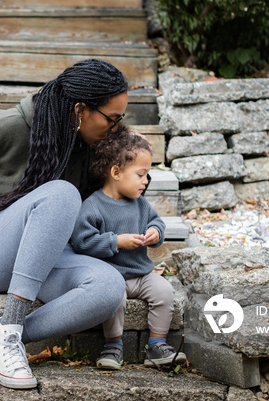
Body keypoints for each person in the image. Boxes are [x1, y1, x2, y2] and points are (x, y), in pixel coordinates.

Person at [0, 59, 129, 389]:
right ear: (80, 110)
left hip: (43, 260)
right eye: (112, 119)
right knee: (61, 194)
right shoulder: (5, 128)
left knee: (110, 287)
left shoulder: (90, 146)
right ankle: (6, 341)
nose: (115, 128)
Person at [71, 127, 186, 370]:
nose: (146, 182)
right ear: (116, 172)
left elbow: (156, 221)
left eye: (147, 175)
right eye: (141, 175)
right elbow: (82, 241)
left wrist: (156, 232)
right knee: (115, 300)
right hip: (112, 275)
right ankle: (113, 345)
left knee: (164, 292)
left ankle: (156, 345)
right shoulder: (92, 206)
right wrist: (116, 242)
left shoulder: (140, 203)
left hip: (142, 274)